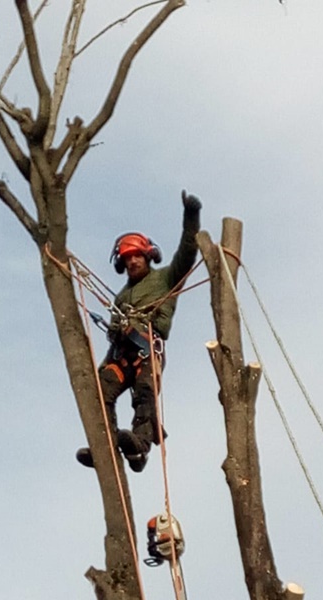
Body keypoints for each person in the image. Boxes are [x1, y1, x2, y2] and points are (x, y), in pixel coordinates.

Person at [76, 190, 202, 472]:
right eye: (127, 258)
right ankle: (104, 444)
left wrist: (190, 215)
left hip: (146, 351)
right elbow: (112, 330)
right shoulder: (121, 297)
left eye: (137, 256)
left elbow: (187, 251)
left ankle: (140, 447)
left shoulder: (165, 279)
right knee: (100, 390)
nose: (132, 262)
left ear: (148, 256)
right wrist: (116, 328)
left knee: (144, 393)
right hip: (121, 354)